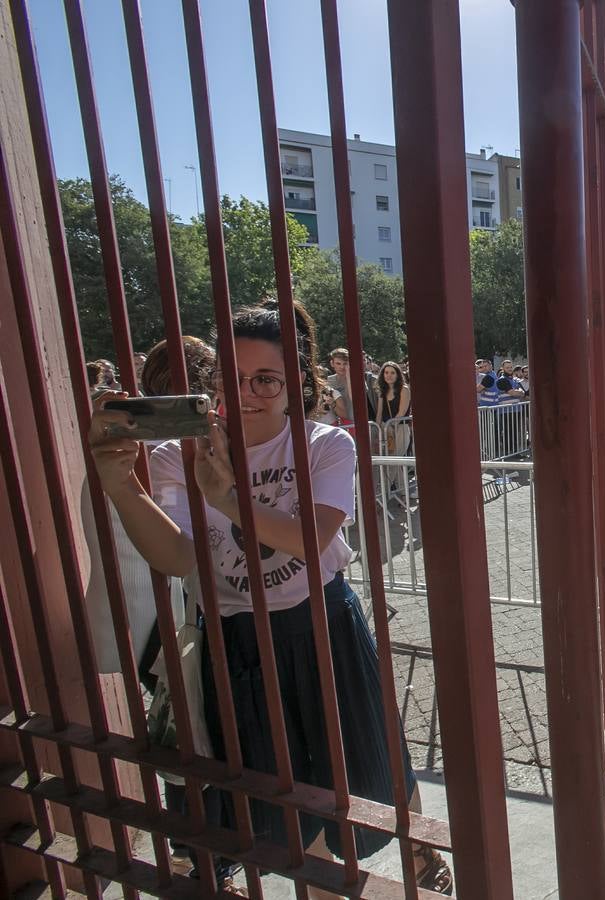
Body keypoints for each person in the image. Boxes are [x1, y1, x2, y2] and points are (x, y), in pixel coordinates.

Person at [88, 302, 452, 894]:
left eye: (266, 379)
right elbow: (181, 558)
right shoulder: (172, 456)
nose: (248, 394)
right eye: (231, 378)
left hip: (324, 624)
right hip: (238, 642)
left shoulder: (324, 444)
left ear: (295, 385)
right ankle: (320, 884)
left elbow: (312, 539)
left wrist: (230, 498)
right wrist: (121, 487)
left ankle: (417, 853)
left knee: (370, 754)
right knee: (286, 791)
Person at [375, 362, 412, 455]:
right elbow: (379, 413)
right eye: (386, 372)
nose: (389, 375)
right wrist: (377, 429)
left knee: (396, 459)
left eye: (392, 373)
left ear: (397, 375)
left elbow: (402, 411)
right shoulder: (382, 390)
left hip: (400, 428)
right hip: (385, 429)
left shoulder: (404, 389)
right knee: (387, 462)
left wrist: (390, 425)